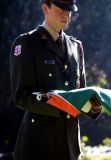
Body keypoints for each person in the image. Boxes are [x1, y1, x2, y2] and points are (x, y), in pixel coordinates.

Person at [9, 0, 102, 159]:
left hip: (70, 145)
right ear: (45, 8)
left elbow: (80, 94)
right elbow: (21, 96)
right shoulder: (27, 44)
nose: (67, 14)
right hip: (38, 144)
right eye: (61, 9)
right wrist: (59, 104)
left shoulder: (76, 46)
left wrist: (94, 105)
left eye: (69, 10)